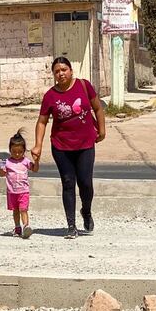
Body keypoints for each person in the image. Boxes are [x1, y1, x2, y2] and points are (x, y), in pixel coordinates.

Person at [31, 56, 106, 239]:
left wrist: (102, 130)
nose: (61, 73)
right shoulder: (50, 96)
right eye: (57, 71)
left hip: (85, 143)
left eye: (64, 69)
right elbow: (42, 122)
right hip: (61, 145)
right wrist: (38, 145)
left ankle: (86, 211)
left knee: (86, 183)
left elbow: (98, 108)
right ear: (54, 75)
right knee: (68, 183)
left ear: (71, 70)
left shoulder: (83, 85)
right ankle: (71, 225)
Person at [0, 129, 39, 239]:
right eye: (14, 152)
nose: (17, 154)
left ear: (24, 151)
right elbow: (1, 173)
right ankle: (17, 227)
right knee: (15, 210)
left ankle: (26, 226)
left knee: (23, 209)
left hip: (23, 191)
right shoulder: (6, 162)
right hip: (12, 191)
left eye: (20, 152)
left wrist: (36, 161)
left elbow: (35, 169)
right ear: (10, 150)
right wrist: (2, 171)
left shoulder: (26, 161)